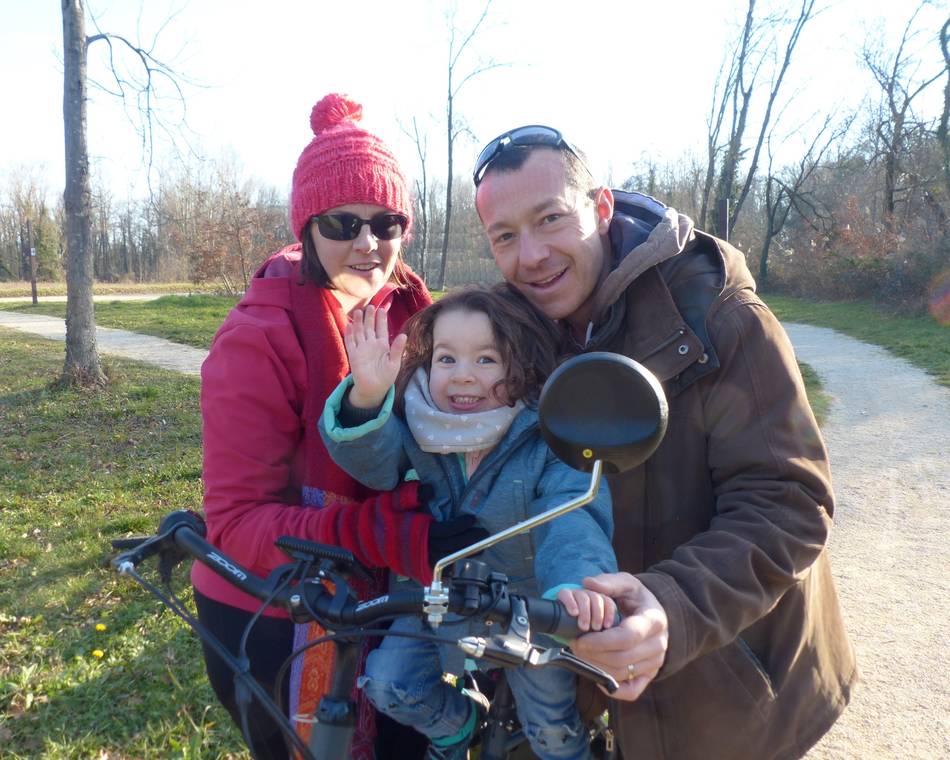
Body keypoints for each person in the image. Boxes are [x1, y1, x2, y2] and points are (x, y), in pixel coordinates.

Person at [471, 125, 857, 760]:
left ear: (600, 208)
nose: (532, 255)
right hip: (588, 692)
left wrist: (671, 610)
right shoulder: (512, 341)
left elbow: (788, 501)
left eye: (550, 219)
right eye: (505, 236)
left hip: (728, 699)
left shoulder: (715, 314)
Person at [192, 93, 481, 760]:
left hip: (394, 590)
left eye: (386, 222)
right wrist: (377, 534)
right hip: (272, 607)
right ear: (306, 227)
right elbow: (235, 524)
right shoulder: (258, 337)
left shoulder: (414, 311)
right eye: (342, 222)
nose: (367, 243)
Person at [319, 284, 619, 760]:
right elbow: (375, 464)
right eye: (446, 359)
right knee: (387, 681)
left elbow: (572, 515)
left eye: (486, 360)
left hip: (529, 610)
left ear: (520, 366)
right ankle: (457, 727)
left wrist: (575, 584)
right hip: (438, 599)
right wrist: (367, 398)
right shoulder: (419, 421)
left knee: (550, 727)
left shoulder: (547, 436)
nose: (462, 377)